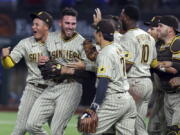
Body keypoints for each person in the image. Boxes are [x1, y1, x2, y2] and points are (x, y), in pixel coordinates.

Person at [26, 7, 91, 135]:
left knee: (57, 129)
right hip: (51, 86)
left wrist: (69, 70)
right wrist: (42, 64)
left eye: (73, 23)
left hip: (71, 87)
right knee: (31, 125)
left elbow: (90, 72)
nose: (70, 26)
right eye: (67, 23)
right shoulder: (49, 38)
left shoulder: (84, 43)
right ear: (60, 23)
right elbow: (45, 68)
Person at [80, 19, 137, 135]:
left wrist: (95, 106)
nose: (94, 35)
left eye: (96, 32)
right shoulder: (117, 47)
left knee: (88, 131)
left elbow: (103, 82)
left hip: (113, 101)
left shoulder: (106, 53)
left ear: (100, 34)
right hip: (128, 100)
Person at [1, 11, 53, 135]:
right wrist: (4, 58)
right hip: (33, 89)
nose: (33, 27)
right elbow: (9, 63)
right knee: (20, 129)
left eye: (37, 24)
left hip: (53, 91)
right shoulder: (25, 43)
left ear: (46, 26)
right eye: (33, 24)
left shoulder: (59, 43)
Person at [119, 5, 157, 135]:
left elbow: (127, 65)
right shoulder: (148, 37)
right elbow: (153, 62)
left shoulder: (128, 37)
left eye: (121, 15)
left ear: (127, 18)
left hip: (134, 83)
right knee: (139, 126)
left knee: (124, 124)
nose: (120, 18)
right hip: (147, 82)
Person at [156, 15, 180, 134]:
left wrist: (156, 65)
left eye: (161, 26)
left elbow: (176, 68)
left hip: (178, 95)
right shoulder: (160, 45)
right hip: (167, 94)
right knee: (170, 131)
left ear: (170, 29)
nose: (158, 28)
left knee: (176, 131)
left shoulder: (177, 42)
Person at [144, 16, 167, 135]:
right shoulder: (153, 46)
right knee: (153, 129)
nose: (148, 31)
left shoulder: (173, 46)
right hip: (160, 95)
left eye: (152, 28)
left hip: (172, 95)